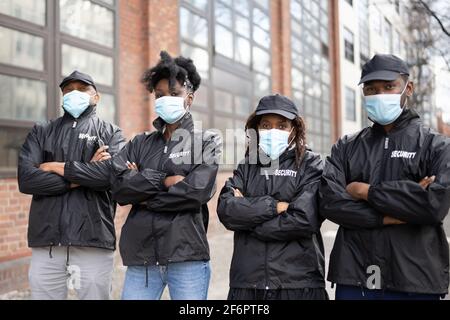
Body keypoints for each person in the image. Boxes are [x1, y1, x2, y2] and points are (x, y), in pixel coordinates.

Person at [48, 51, 221, 300]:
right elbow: (118, 188)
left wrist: (143, 196)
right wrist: (163, 181)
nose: (166, 100)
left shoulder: (206, 142)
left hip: (187, 257)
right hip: (142, 259)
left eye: (174, 94)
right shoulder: (140, 142)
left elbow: (196, 192)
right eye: (160, 95)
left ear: (190, 98)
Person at [319, 54, 450, 300]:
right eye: (371, 89)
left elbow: (433, 205)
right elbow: (329, 203)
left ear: (408, 88)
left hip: (414, 280)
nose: (379, 95)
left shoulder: (436, 146)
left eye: (389, 87)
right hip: (354, 277)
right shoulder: (346, 146)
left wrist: (365, 192)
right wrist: (388, 216)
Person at [18, 71, 126, 300]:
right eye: (68, 90)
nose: (74, 93)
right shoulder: (42, 131)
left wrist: (56, 166)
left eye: (81, 88)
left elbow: (110, 176)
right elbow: (27, 179)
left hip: (93, 240)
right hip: (47, 241)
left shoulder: (111, 133)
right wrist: (85, 173)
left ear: (96, 97)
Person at [217, 94, 328, 300]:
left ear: (294, 129)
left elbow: (305, 219)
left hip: (298, 284)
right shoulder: (247, 165)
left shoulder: (311, 165)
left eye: (281, 125)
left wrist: (249, 221)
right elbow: (227, 210)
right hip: (247, 284)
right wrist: (275, 207)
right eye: (266, 125)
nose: (272, 131)